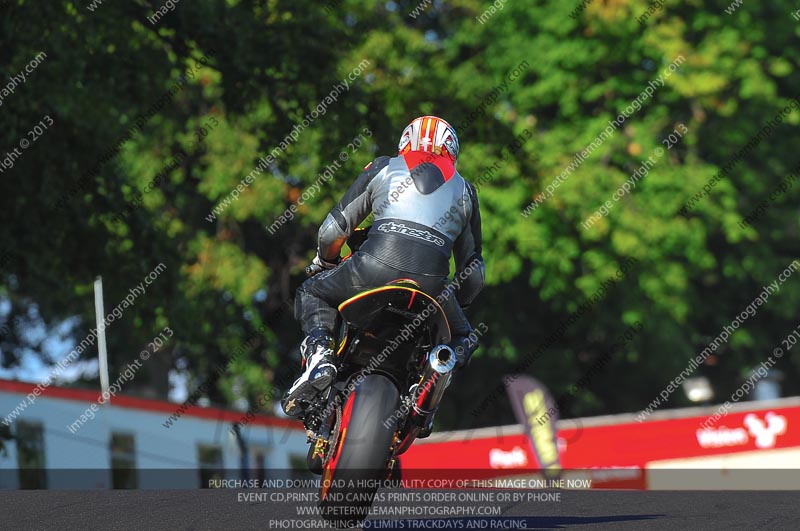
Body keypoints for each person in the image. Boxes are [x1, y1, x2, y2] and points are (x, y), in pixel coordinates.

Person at [281, 116, 484, 417]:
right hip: (432, 288)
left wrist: (326, 262)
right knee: (465, 336)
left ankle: (321, 354)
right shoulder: (466, 191)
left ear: (405, 143)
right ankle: (430, 387)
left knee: (313, 292)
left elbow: (331, 232)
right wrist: (459, 303)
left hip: (371, 269)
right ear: (452, 151)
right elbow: (473, 274)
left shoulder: (383, 167)